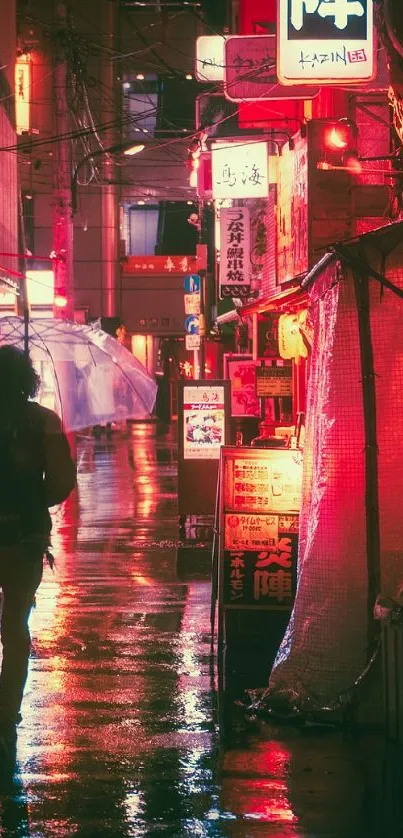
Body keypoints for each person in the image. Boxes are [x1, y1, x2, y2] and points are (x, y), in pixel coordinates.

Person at [0, 346, 76, 760]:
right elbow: (62, 482)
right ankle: (6, 712)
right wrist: (32, 502)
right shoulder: (44, 421)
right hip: (25, 537)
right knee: (14, 624)